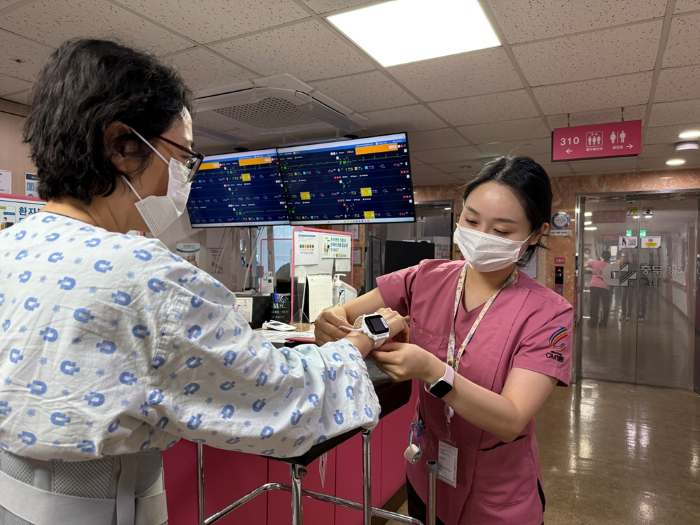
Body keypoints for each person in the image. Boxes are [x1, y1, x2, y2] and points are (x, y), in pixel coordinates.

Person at [0, 39, 408, 525]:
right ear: (123, 146)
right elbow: (279, 395)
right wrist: (358, 343)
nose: (180, 179)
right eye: (181, 158)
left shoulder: (10, 246)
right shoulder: (148, 276)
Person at [317, 156, 573, 525]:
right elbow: (344, 314)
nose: (481, 236)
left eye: (501, 231)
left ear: (536, 233)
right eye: (471, 220)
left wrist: (433, 370)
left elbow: (511, 419)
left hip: (496, 495)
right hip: (427, 472)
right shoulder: (425, 277)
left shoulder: (548, 313)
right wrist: (332, 323)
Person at [586, 250, 611, 327]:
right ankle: (603, 323)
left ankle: (593, 322)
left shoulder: (595, 262)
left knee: (594, 304)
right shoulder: (610, 266)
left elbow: (586, 264)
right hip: (605, 287)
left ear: (601, 256)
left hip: (594, 285)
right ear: (609, 258)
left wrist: (593, 270)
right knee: (605, 305)